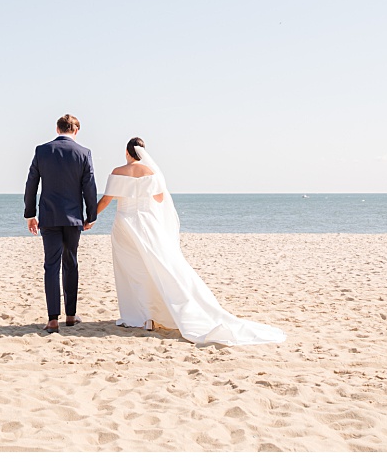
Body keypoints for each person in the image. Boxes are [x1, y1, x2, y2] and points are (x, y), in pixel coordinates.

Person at [95, 137, 285, 346]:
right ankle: (151, 317)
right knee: (155, 267)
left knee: (132, 270)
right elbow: (159, 199)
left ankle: (139, 317)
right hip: (146, 224)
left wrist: (90, 219)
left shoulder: (117, 172)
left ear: (127, 152)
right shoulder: (151, 173)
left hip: (124, 223)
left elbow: (106, 200)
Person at [23, 113, 99, 333]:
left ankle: (53, 319)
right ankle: (71, 315)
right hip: (73, 217)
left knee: (51, 266)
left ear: (57, 129)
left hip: (49, 216)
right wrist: (91, 215)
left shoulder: (42, 151)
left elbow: (31, 184)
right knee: (71, 263)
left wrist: (30, 214)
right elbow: (90, 186)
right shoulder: (84, 153)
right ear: (76, 131)